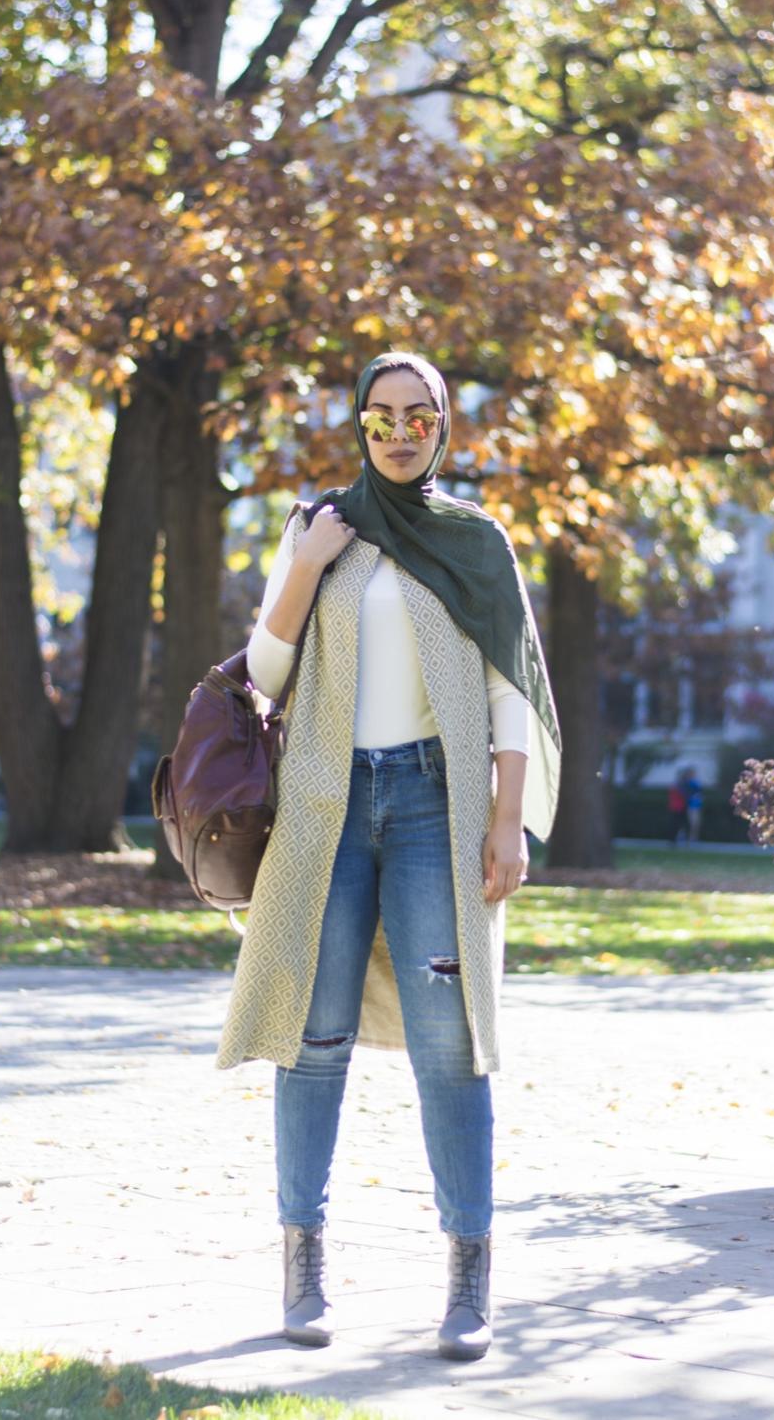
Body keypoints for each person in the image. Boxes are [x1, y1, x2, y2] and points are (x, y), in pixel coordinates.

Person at [215, 351, 561, 1363]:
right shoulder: (321, 526)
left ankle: (465, 1281)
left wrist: (505, 820)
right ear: (358, 426)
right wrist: (308, 565)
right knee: (308, 1038)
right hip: (325, 804)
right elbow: (266, 671)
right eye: (379, 418)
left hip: (432, 808)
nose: (399, 433)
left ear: (444, 425)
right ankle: (303, 1267)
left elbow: (509, 691)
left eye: (419, 416)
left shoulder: (473, 542)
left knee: (449, 1046)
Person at [684, 768, 704, 843]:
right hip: (691, 806)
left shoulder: (696, 782)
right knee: (691, 823)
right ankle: (689, 837)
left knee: (696, 823)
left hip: (697, 806)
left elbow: (699, 793)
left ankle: (693, 837)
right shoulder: (688, 783)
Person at [666, 778, 688, 844]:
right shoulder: (678, 790)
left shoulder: (673, 789)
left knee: (674, 824)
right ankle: (673, 839)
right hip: (678, 809)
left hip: (675, 808)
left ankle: (673, 839)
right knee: (676, 824)